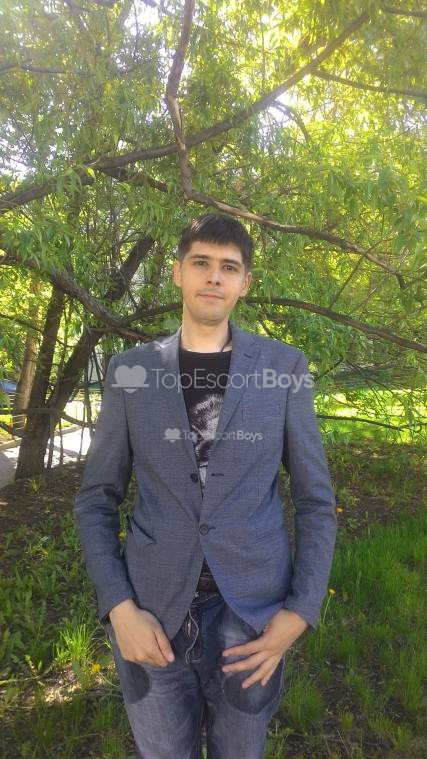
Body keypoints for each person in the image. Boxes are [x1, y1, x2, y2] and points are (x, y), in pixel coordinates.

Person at [74, 213, 337, 759]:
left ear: (245, 282)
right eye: (201, 263)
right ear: (178, 273)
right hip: (151, 616)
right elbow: (96, 499)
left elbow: (315, 500)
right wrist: (119, 607)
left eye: (229, 267)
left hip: (252, 619)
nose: (214, 277)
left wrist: (301, 611)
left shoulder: (283, 368)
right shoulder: (132, 371)